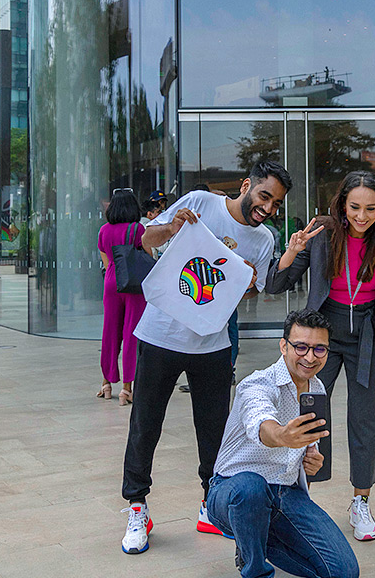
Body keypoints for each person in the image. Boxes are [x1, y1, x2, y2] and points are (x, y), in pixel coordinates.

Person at [120, 160, 291, 555]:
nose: (267, 208)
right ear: (247, 185)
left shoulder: (264, 240)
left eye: (276, 203)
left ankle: (210, 506)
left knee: (215, 434)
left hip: (213, 346)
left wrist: (245, 281)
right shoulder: (201, 203)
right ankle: (137, 506)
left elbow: (253, 290)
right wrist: (171, 228)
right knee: (145, 425)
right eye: (264, 196)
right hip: (161, 335)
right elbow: (146, 241)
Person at [266, 169, 375, 541]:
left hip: (367, 337)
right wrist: (291, 251)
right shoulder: (322, 235)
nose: (362, 217)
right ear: (342, 205)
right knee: (309, 417)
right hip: (320, 336)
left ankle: (361, 500)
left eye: (371, 209)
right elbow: (275, 284)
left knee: (364, 421)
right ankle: (301, 498)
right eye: (355, 207)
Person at [205, 308, 359, 578]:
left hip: (285, 493)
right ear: (283, 346)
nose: (310, 356)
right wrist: (281, 435)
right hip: (232, 490)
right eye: (301, 346)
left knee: (343, 575)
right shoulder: (257, 384)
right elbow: (261, 422)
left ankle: (252, 541)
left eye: (319, 349)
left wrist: (310, 459)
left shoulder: (316, 389)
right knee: (251, 488)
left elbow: (305, 446)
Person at [98, 188, 147, 406]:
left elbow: (107, 262)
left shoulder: (103, 231)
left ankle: (106, 383)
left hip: (111, 283)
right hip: (133, 285)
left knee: (110, 332)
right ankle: (127, 388)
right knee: (131, 334)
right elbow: (147, 257)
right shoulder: (137, 229)